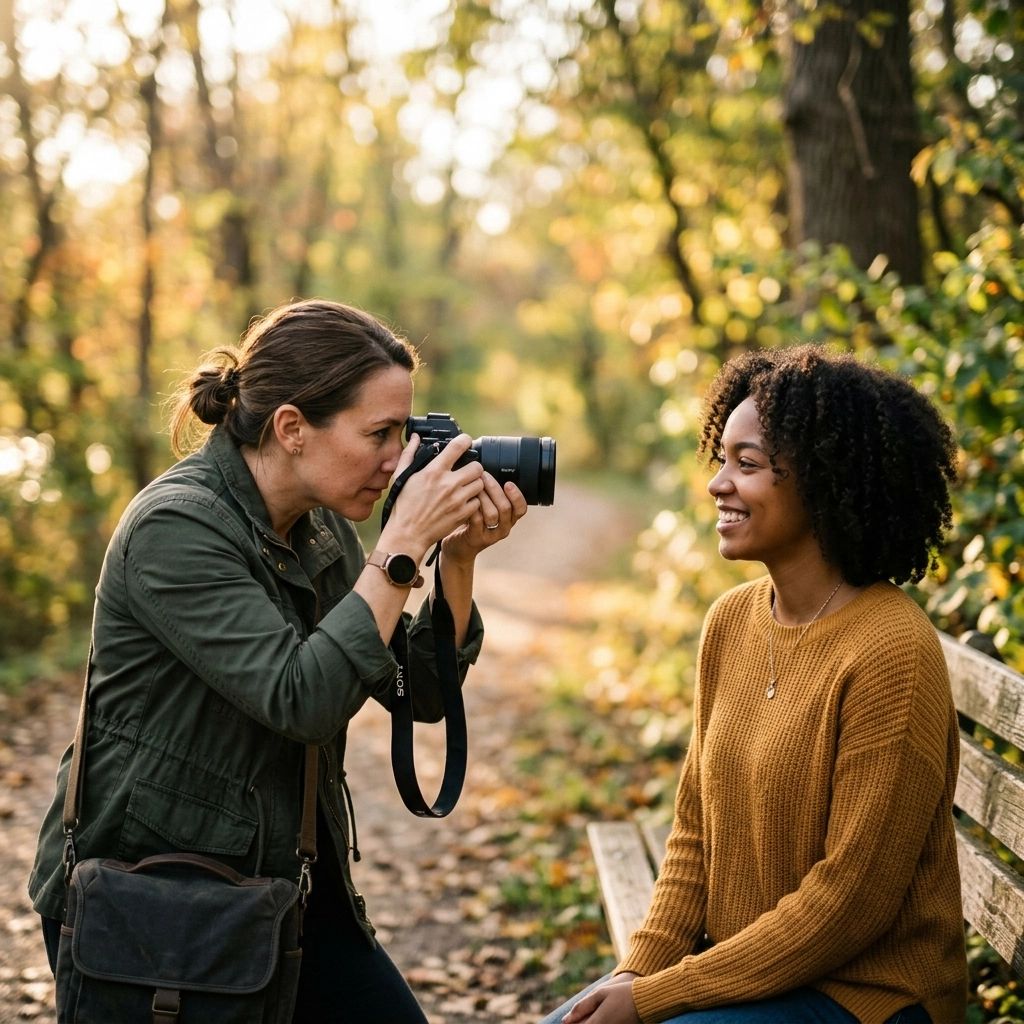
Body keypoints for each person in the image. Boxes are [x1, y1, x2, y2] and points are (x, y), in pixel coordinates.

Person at [29, 299, 527, 1023]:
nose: (400, 461)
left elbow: (417, 692)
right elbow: (303, 699)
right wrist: (399, 549)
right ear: (292, 428)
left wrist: (455, 561)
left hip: (285, 881)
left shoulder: (320, 524)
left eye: (406, 433)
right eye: (380, 434)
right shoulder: (176, 528)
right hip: (159, 900)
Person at [542, 346, 967, 1024]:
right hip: (749, 974)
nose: (717, 483)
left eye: (747, 464)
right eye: (721, 459)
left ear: (825, 481)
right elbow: (693, 837)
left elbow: (848, 904)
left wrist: (655, 998)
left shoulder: (891, 650)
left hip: (867, 997)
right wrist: (631, 975)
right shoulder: (731, 623)